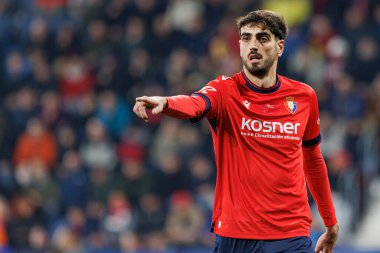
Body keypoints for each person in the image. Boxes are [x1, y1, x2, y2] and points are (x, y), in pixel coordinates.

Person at [133, 10, 339, 253]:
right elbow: (195, 104)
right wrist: (167, 103)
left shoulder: (304, 97)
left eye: (262, 38)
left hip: (290, 235)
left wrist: (330, 222)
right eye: (246, 38)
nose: (253, 45)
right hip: (235, 235)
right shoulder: (224, 90)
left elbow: (313, 161)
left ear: (280, 47)